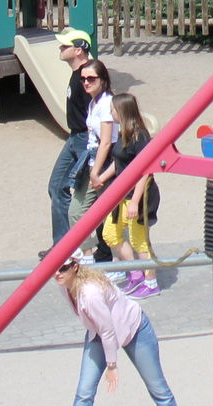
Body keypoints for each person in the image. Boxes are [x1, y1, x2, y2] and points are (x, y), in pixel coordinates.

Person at [53, 256, 197, 406]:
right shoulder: (64, 286)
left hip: (134, 330)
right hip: (98, 334)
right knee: (83, 393)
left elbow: (108, 330)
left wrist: (112, 365)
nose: (57, 273)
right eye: (54, 268)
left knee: (158, 389)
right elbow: (103, 330)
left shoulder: (90, 292)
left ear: (75, 267)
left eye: (63, 268)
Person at [94, 92, 162, 298]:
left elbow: (145, 171)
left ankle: (151, 283)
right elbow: (119, 162)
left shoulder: (140, 136)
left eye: (113, 110)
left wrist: (135, 201)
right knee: (110, 233)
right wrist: (101, 178)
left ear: (122, 111)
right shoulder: (124, 132)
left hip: (140, 196)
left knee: (139, 240)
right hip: (123, 194)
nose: (111, 113)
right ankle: (136, 273)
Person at [47, 28, 98, 253]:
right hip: (74, 137)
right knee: (56, 187)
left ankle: (75, 247)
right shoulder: (77, 73)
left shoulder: (88, 75)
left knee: (88, 196)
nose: (61, 48)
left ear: (78, 50)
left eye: (65, 46)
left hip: (86, 139)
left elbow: (102, 105)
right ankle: (63, 246)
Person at [74, 59, 117, 264]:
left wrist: (96, 172)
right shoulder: (93, 103)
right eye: (83, 79)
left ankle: (122, 264)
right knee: (76, 211)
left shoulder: (107, 103)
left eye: (91, 78)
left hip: (105, 162)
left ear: (103, 79)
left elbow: (106, 142)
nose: (86, 82)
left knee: (110, 217)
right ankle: (88, 256)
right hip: (93, 160)